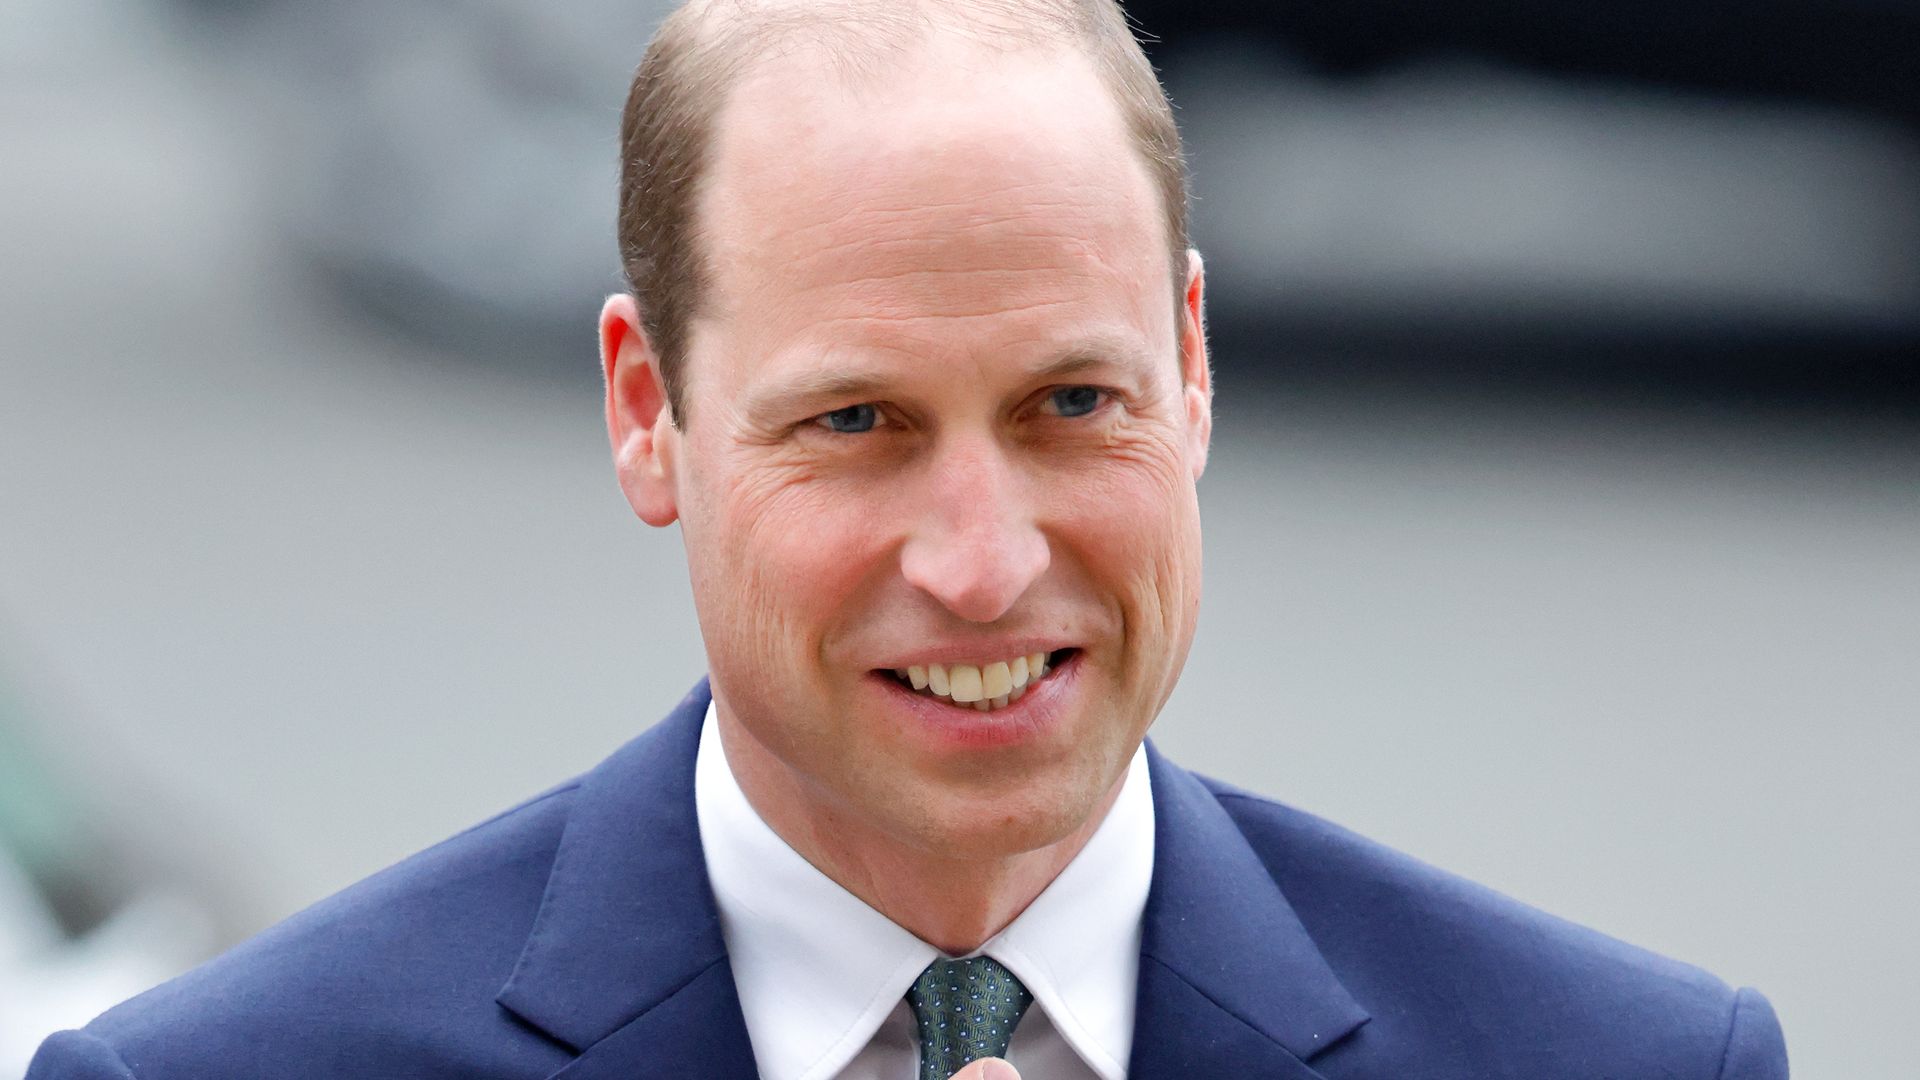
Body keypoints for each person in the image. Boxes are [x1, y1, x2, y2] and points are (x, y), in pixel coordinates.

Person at [28, 1, 1789, 1077]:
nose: (978, 559)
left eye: (1071, 407)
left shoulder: (1630, 1063)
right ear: (648, 411)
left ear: (1190, 367)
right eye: (857, 423)